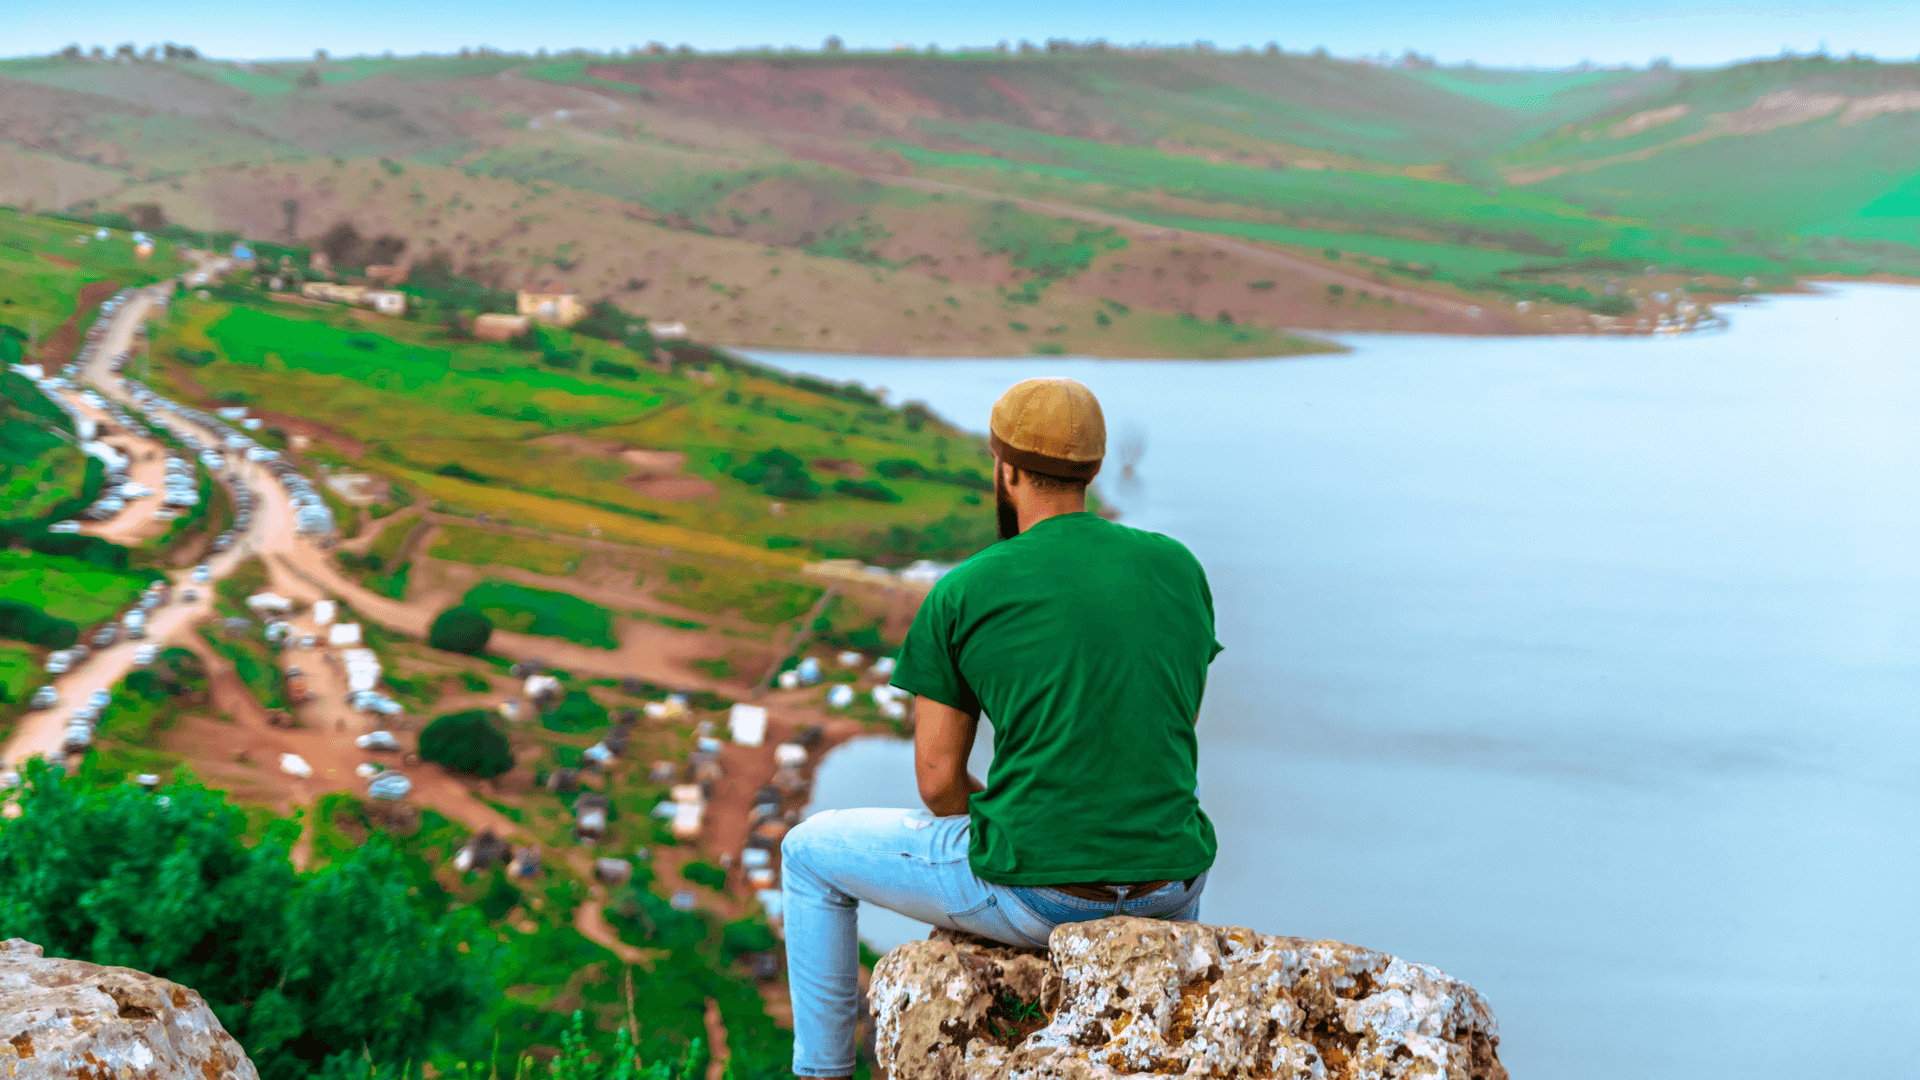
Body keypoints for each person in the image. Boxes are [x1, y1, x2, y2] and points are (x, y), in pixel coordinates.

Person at [780, 377, 1223, 1079]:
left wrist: (1016, 831)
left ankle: (822, 1073)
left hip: (1040, 896)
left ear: (1006, 468)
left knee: (807, 853)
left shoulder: (965, 589)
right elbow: (1161, 728)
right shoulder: (1179, 569)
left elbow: (937, 782)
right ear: (1095, 468)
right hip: (1173, 886)